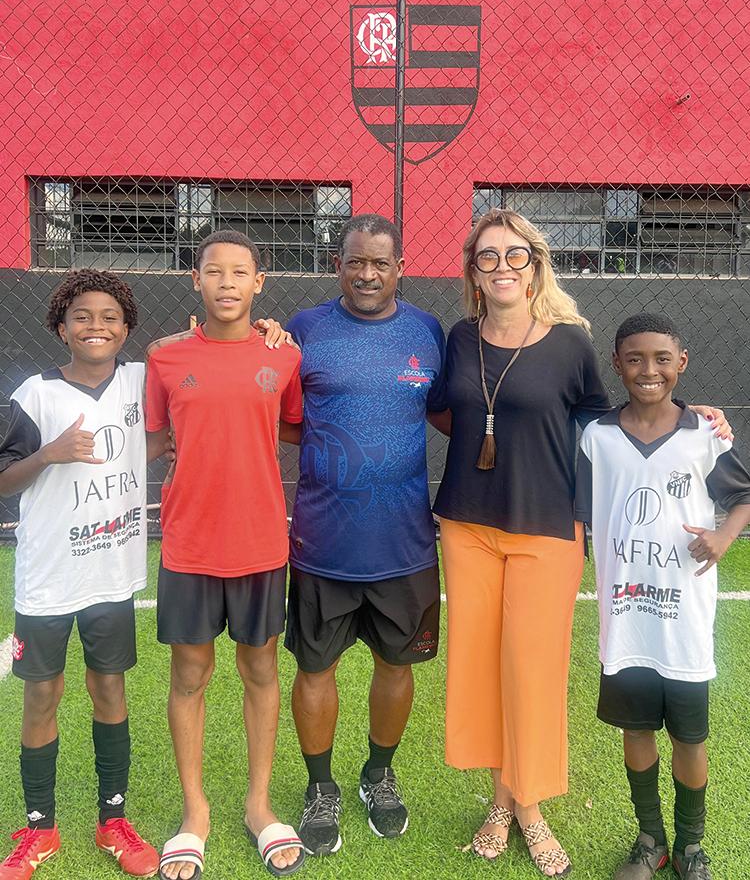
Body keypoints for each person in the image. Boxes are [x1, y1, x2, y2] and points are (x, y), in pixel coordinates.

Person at [430, 208, 730, 878]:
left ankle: (528, 810)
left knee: (530, 670)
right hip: (468, 524)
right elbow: (445, 409)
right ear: (472, 272)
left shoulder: (568, 344)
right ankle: (501, 802)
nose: (502, 267)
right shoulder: (457, 337)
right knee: (482, 666)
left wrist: (694, 416)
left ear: (536, 265)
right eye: (488, 257)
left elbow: (616, 420)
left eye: (515, 255)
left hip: (546, 526)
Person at [282, 214, 447, 856]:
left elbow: (442, 412)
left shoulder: (427, 331)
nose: (368, 274)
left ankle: (378, 773)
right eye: (356, 262)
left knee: (395, 665)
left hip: (405, 541)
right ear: (338, 265)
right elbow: (284, 415)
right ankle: (321, 786)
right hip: (324, 540)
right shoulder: (304, 330)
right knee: (315, 666)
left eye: (380, 262)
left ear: (399, 267)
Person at [145, 230, 306, 880]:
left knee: (260, 672)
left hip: (261, 541)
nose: (228, 283)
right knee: (189, 677)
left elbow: (291, 422)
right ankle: (195, 813)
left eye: (241, 272)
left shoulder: (284, 357)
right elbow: (154, 439)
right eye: (215, 271)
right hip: (188, 544)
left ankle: (258, 805)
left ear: (259, 284)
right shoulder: (164, 359)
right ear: (196, 280)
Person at [575, 313, 750, 880]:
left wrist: (724, 536)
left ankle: (691, 844)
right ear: (617, 364)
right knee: (637, 729)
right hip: (625, 619)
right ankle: (650, 838)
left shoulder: (704, 434)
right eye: (634, 359)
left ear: (682, 364)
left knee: (690, 735)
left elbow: (743, 497)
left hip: (685, 623)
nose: (648, 371)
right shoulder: (596, 436)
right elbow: (579, 515)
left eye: (661, 359)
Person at [0, 269, 162, 880]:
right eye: (82, 317)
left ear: (126, 328)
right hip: (47, 577)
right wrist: (49, 454)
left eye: (109, 317)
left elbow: (174, 403)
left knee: (109, 690)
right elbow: (3, 478)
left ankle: (112, 819)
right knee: (42, 694)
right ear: (60, 327)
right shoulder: (35, 396)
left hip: (111, 575)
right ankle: (38, 829)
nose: (96, 326)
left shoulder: (141, 383)